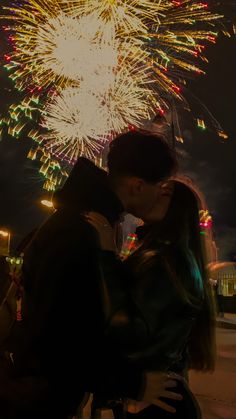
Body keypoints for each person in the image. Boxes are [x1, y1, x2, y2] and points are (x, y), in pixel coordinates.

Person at [0, 131, 179, 419]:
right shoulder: (82, 231)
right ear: (136, 186)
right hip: (35, 400)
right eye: (158, 185)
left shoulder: (88, 222)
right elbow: (60, 340)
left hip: (37, 392)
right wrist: (134, 382)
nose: (162, 193)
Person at [86, 179, 216, 419]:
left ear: (178, 208)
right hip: (156, 400)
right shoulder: (166, 254)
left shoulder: (166, 260)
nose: (153, 193)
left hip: (158, 405)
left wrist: (106, 255)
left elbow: (126, 329)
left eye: (164, 193)